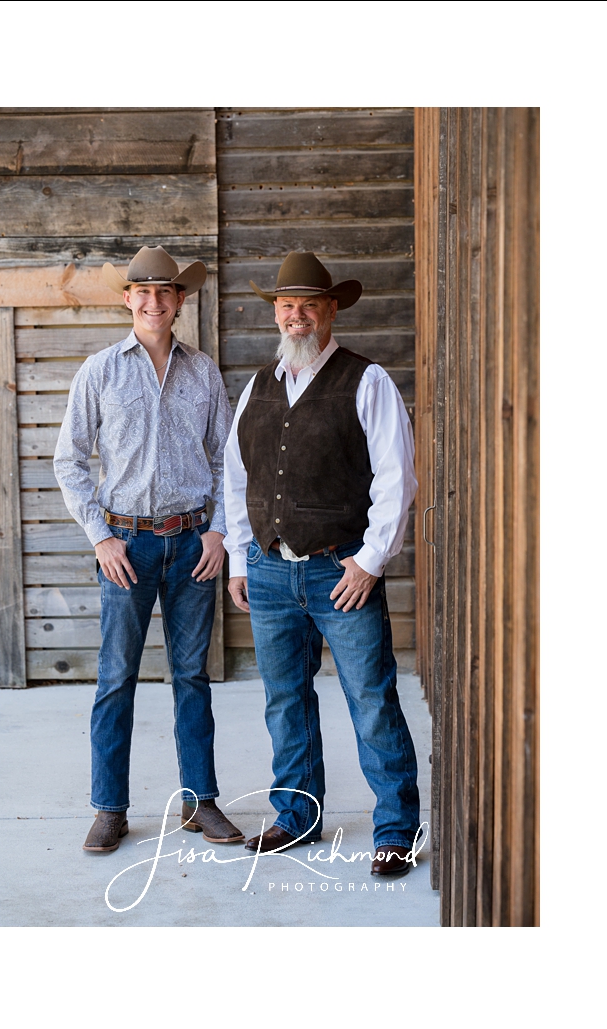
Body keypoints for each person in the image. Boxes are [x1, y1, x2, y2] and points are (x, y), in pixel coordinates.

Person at [225, 252, 422, 878]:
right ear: (275, 314)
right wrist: (239, 558)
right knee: (285, 701)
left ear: (331, 310)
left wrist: (369, 562)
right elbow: (235, 479)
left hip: (341, 571)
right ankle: (297, 816)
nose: (297, 315)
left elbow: (398, 479)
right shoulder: (257, 386)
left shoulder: (367, 382)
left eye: (309, 305)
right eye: (287, 305)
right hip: (269, 572)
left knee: (371, 699)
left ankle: (395, 829)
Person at [53, 245, 243, 853]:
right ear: (127, 299)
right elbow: (70, 460)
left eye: (167, 292)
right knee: (116, 679)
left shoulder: (205, 372)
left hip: (192, 544)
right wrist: (101, 536)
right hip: (126, 546)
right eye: (144, 291)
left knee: (192, 676)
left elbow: (225, 461)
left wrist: (218, 531)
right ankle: (110, 807)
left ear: (180, 301)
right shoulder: (99, 371)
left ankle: (200, 802)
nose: (155, 301)